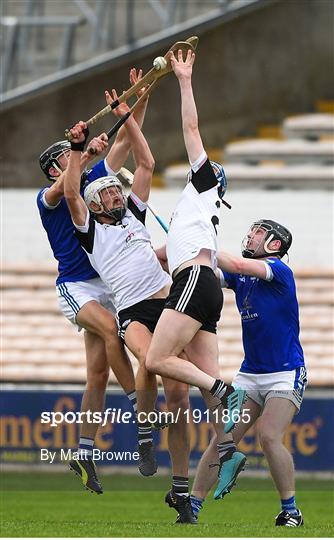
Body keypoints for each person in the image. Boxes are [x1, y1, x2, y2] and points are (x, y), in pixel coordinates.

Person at [64, 96, 193, 523]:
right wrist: (79, 152)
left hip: (168, 303)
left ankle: (177, 479)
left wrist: (129, 115)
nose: (118, 197)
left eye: (118, 192)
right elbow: (70, 190)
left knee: (179, 392)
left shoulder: (135, 217)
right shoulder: (90, 234)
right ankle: (143, 431)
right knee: (148, 358)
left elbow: (147, 163)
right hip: (133, 311)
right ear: (97, 204)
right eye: (110, 194)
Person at [37, 69, 150, 494]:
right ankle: (140, 409)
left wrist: (142, 95)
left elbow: (127, 140)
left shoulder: (91, 174)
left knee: (96, 374)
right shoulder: (47, 197)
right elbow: (65, 190)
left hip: (108, 285)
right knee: (111, 330)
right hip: (78, 287)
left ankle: (83, 451)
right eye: (65, 155)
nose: (73, 157)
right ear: (54, 167)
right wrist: (83, 153)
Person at [145, 48, 247, 518]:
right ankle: (224, 454)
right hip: (205, 289)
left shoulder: (205, 184)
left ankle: (222, 390)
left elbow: (190, 130)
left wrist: (184, 81)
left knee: (157, 358)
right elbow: (160, 253)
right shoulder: (192, 209)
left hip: (194, 282)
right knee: (206, 393)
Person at [189, 219, 306, 528]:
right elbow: (205, 271)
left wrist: (204, 238)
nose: (251, 236)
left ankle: (291, 510)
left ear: (274, 244)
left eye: (258, 233)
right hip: (250, 374)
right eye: (252, 231)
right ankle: (193, 506)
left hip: (285, 372)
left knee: (268, 436)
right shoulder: (241, 277)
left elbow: (235, 263)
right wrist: (185, 245)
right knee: (222, 439)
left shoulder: (278, 270)